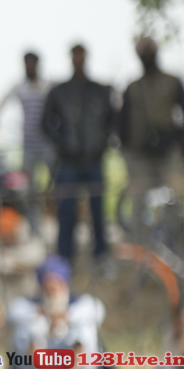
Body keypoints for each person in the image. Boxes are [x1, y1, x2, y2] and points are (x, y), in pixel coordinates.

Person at [42, 43, 118, 264]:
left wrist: (103, 141)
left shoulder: (100, 90)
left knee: (98, 211)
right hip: (68, 162)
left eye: (81, 56)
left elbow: (112, 120)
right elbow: (45, 123)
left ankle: (101, 256)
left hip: (94, 159)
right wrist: (62, 143)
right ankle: (65, 258)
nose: (78, 60)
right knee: (66, 211)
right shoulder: (59, 92)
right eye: (75, 56)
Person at [120, 36, 184, 241]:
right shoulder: (133, 87)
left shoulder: (172, 82)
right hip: (140, 155)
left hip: (168, 152)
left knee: (172, 201)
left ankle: (175, 247)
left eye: (150, 52)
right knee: (139, 203)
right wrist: (127, 153)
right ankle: (140, 248)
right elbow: (123, 123)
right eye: (144, 53)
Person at [8, 255, 106, 369]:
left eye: (57, 284)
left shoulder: (80, 302)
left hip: (76, 367)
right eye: (48, 286)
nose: (53, 289)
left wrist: (67, 317)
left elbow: (98, 311)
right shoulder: (30, 304)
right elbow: (12, 312)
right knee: (29, 327)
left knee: (84, 328)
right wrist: (43, 315)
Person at [0, 52, 54, 234]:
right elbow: (2, 101)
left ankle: (55, 221)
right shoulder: (20, 88)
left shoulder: (47, 86)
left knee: (56, 183)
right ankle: (35, 227)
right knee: (28, 189)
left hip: (47, 144)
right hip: (28, 145)